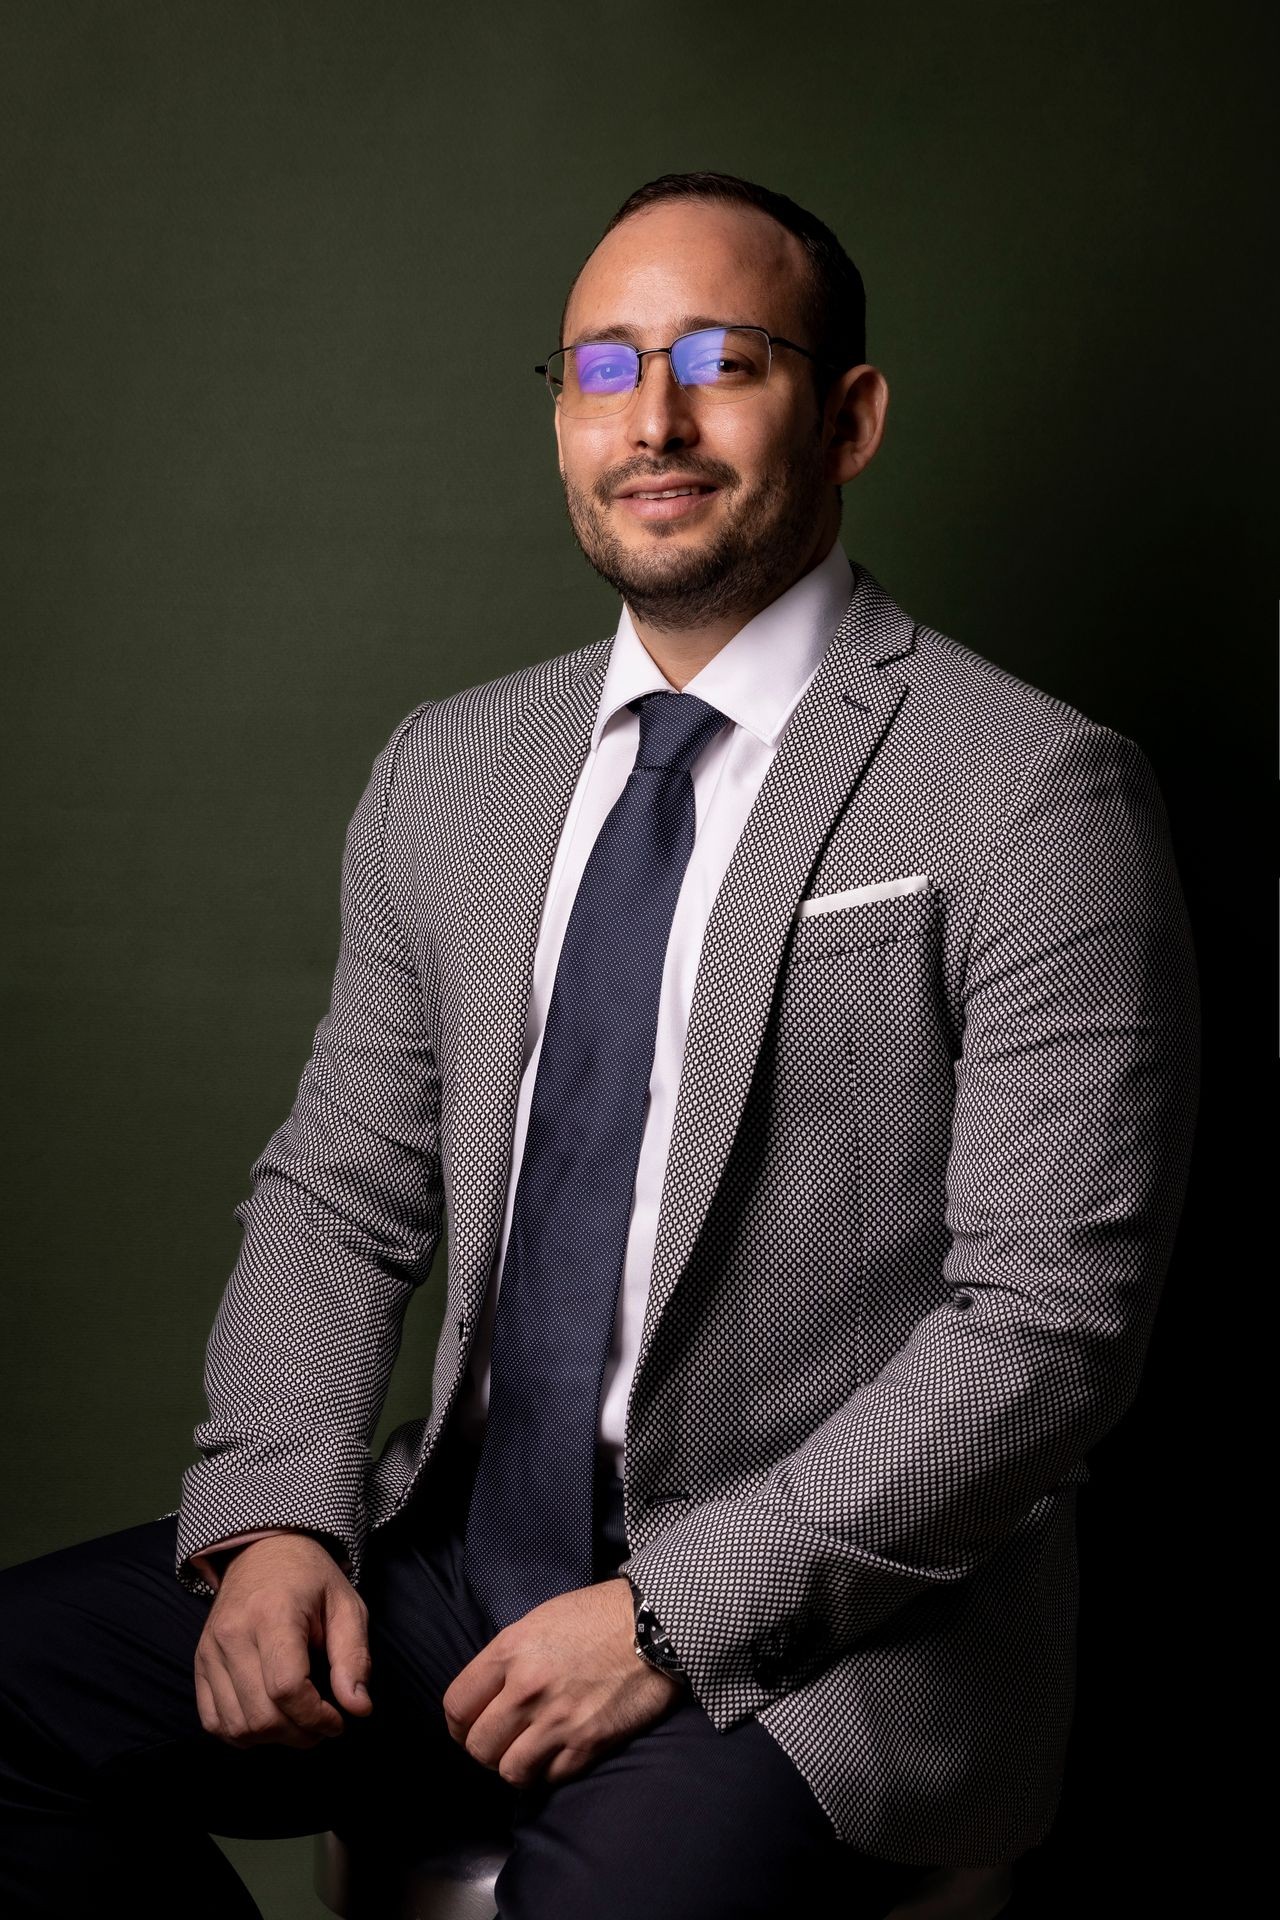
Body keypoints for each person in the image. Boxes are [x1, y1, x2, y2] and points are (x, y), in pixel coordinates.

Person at [0, 170, 1200, 1918]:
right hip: (462, 1563)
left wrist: (666, 1616)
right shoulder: (453, 769)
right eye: (600, 368)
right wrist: (269, 1521)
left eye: (726, 360)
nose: (654, 419)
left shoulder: (1026, 787)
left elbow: (1046, 1336)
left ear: (849, 415)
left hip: (838, 1643)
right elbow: (343, 1190)